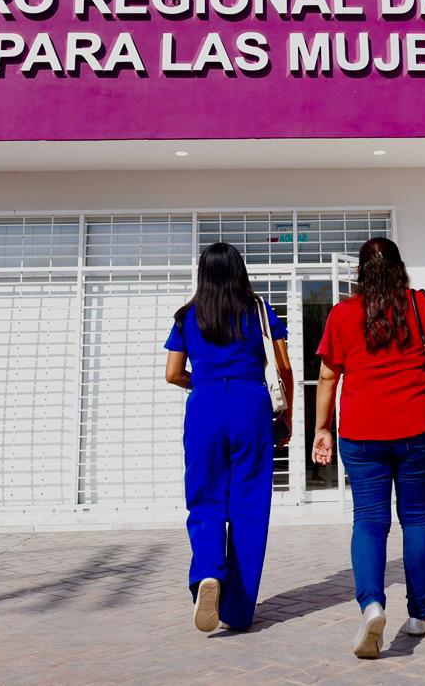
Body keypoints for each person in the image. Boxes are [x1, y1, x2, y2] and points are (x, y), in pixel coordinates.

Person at [312, 237, 425, 658]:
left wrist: (322, 428)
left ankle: (372, 606)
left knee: (369, 521)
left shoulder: (342, 314)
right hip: (419, 427)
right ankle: (419, 614)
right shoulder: (422, 305)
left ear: (358, 273)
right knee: (417, 518)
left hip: (362, 433)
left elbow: (328, 376)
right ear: (400, 267)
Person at [164, 242, 294, 632]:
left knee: (205, 497)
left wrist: (202, 382)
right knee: (249, 505)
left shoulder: (187, 316)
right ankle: (237, 611)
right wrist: (285, 415)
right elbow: (284, 367)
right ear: (240, 270)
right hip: (250, 405)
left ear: (203, 273)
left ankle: (208, 570)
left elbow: (172, 373)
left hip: (204, 406)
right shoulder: (259, 310)